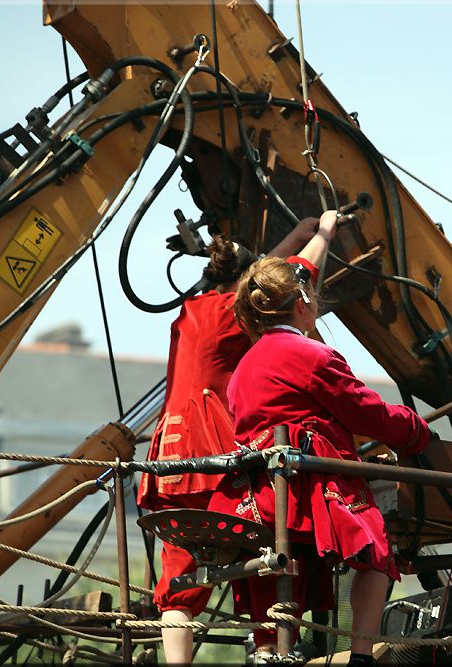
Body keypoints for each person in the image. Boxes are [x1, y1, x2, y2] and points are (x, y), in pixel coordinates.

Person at [208, 255, 431, 666]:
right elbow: (368, 412)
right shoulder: (312, 355)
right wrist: (416, 430)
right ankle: (361, 657)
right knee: (375, 550)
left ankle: (270, 651)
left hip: (258, 497)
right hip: (306, 490)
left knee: (276, 568)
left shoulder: (243, 367)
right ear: (301, 302)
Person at [136, 211, 339, 665]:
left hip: (170, 455)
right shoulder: (228, 314)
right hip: (213, 449)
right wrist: (323, 232)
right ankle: (267, 648)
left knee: (180, 564)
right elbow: (291, 278)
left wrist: (294, 234)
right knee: (262, 540)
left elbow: (262, 272)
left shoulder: (192, 313)